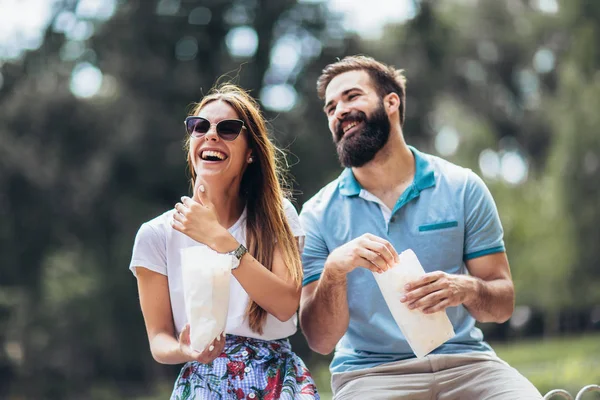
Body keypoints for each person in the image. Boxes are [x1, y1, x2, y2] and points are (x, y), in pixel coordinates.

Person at [298, 55, 542, 399]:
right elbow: (320, 341)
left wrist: (466, 289)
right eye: (330, 107)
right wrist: (335, 269)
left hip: (467, 365)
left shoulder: (462, 187)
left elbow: (502, 305)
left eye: (352, 96)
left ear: (391, 102)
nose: (338, 111)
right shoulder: (316, 215)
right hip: (370, 375)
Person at [129, 83, 319, 399]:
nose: (211, 135)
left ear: (251, 154)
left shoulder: (278, 216)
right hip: (205, 381)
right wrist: (185, 350)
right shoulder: (156, 235)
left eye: (228, 129)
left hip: (277, 378)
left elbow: (286, 305)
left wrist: (220, 239)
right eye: (199, 126)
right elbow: (158, 340)